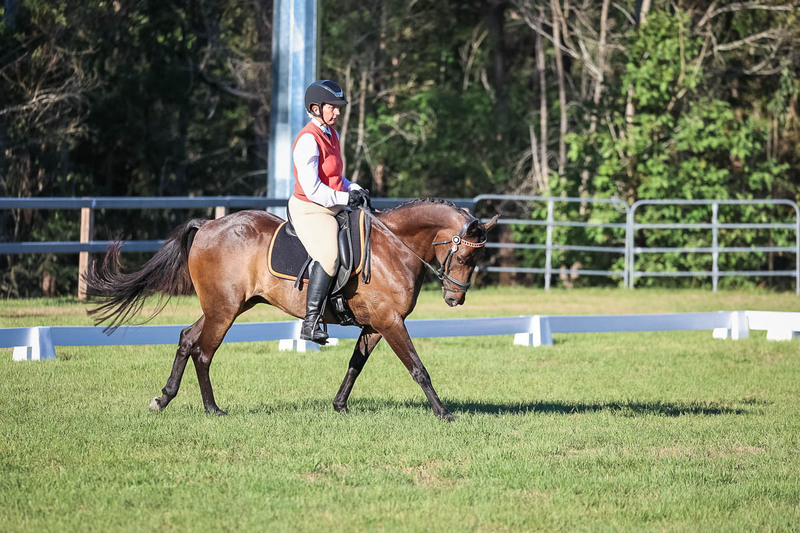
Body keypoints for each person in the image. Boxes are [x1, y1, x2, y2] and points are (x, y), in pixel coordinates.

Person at [289, 79, 371, 345]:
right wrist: (346, 197)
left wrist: (355, 188)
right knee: (329, 256)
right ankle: (311, 322)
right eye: (332, 107)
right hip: (311, 209)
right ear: (316, 108)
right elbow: (313, 189)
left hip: (332, 204)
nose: (337, 111)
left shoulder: (331, 134)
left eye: (338, 107)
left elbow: (335, 177)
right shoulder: (308, 140)